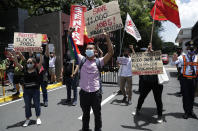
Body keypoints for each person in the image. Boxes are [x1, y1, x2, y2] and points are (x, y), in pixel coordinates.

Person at [68, 28, 114, 131]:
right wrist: (70, 36)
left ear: (96, 52)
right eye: (87, 49)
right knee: (85, 115)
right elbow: (73, 48)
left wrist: (107, 37)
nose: (89, 50)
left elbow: (110, 52)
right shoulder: (81, 60)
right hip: (84, 94)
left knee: (97, 115)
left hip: (96, 94)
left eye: (91, 49)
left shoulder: (99, 61)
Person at [132, 44, 164, 123]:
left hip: (156, 82)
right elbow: (137, 60)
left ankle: (160, 115)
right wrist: (147, 51)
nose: (148, 52)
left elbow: (159, 62)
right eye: (148, 52)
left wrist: (152, 52)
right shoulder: (144, 59)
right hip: (146, 82)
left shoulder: (156, 58)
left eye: (150, 51)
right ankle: (137, 110)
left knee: (158, 99)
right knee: (141, 97)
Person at [12, 50, 43, 127]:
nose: (29, 64)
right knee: (27, 105)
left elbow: (41, 61)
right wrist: (14, 54)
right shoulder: (24, 69)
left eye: (30, 62)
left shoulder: (37, 68)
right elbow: (16, 63)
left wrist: (41, 53)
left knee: (36, 104)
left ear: (34, 63)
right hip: (26, 91)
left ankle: (38, 117)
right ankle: (27, 119)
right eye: (28, 63)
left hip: (35, 90)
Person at [173, 41, 198, 119]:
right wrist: (174, 59)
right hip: (185, 80)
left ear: (195, 48)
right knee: (186, 96)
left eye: (192, 48)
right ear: (187, 48)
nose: (191, 50)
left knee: (192, 96)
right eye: (189, 48)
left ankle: (191, 111)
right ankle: (186, 112)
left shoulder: (197, 57)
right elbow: (173, 63)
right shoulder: (182, 57)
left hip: (194, 79)